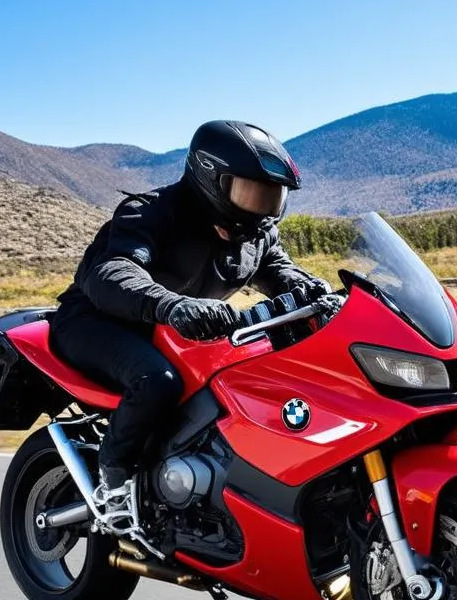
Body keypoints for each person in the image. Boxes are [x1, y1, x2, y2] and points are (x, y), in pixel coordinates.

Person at [51, 120, 329, 528]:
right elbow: (112, 273)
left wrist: (320, 293)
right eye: (252, 192)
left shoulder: (256, 235)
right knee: (157, 380)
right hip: (97, 321)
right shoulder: (151, 212)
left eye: (273, 197)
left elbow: (278, 270)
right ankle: (113, 483)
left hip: (175, 331)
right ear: (210, 178)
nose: (262, 207)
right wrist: (171, 305)